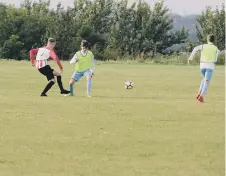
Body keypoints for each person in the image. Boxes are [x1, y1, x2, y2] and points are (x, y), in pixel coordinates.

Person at [188, 34, 220, 103]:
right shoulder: (215, 48)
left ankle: (199, 92)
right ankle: (201, 96)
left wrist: (191, 58)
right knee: (207, 81)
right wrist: (215, 60)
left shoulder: (203, 46)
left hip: (202, 66)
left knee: (204, 79)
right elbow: (217, 56)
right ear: (214, 40)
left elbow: (195, 49)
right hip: (210, 66)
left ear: (207, 39)